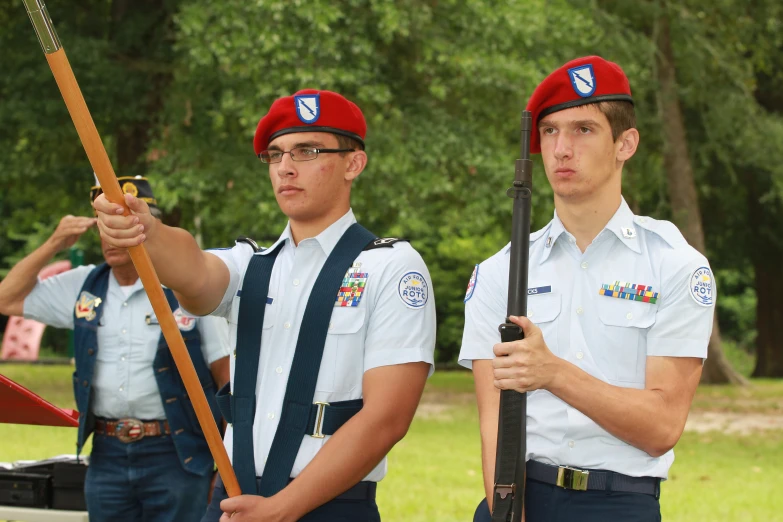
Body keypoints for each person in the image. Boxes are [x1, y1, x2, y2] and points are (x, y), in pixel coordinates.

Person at [93, 90, 437, 522]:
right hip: (233, 501)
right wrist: (148, 229)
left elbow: (387, 418)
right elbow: (194, 270)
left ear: (354, 163)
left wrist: (281, 510)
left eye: (307, 151)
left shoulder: (391, 266)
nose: (285, 168)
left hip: (328, 507)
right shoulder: (249, 265)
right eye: (275, 155)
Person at [461, 56, 715, 522]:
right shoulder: (501, 270)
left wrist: (553, 372)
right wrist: (506, 510)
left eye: (583, 130)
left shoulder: (675, 266)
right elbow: (493, 418)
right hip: (520, 497)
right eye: (550, 131)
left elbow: (661, 426)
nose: (560, 149)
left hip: (619, 503)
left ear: (625, 144)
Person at [0, 176, 231, 522]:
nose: (111, 235)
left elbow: (224, 378)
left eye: (122, 222)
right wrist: (53, 244)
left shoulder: (186, 285)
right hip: (106, 452)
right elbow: (7, 298)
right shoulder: (84, 285)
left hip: (177, 452)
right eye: (105, 225)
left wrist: (227, 469)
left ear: (146, 225)